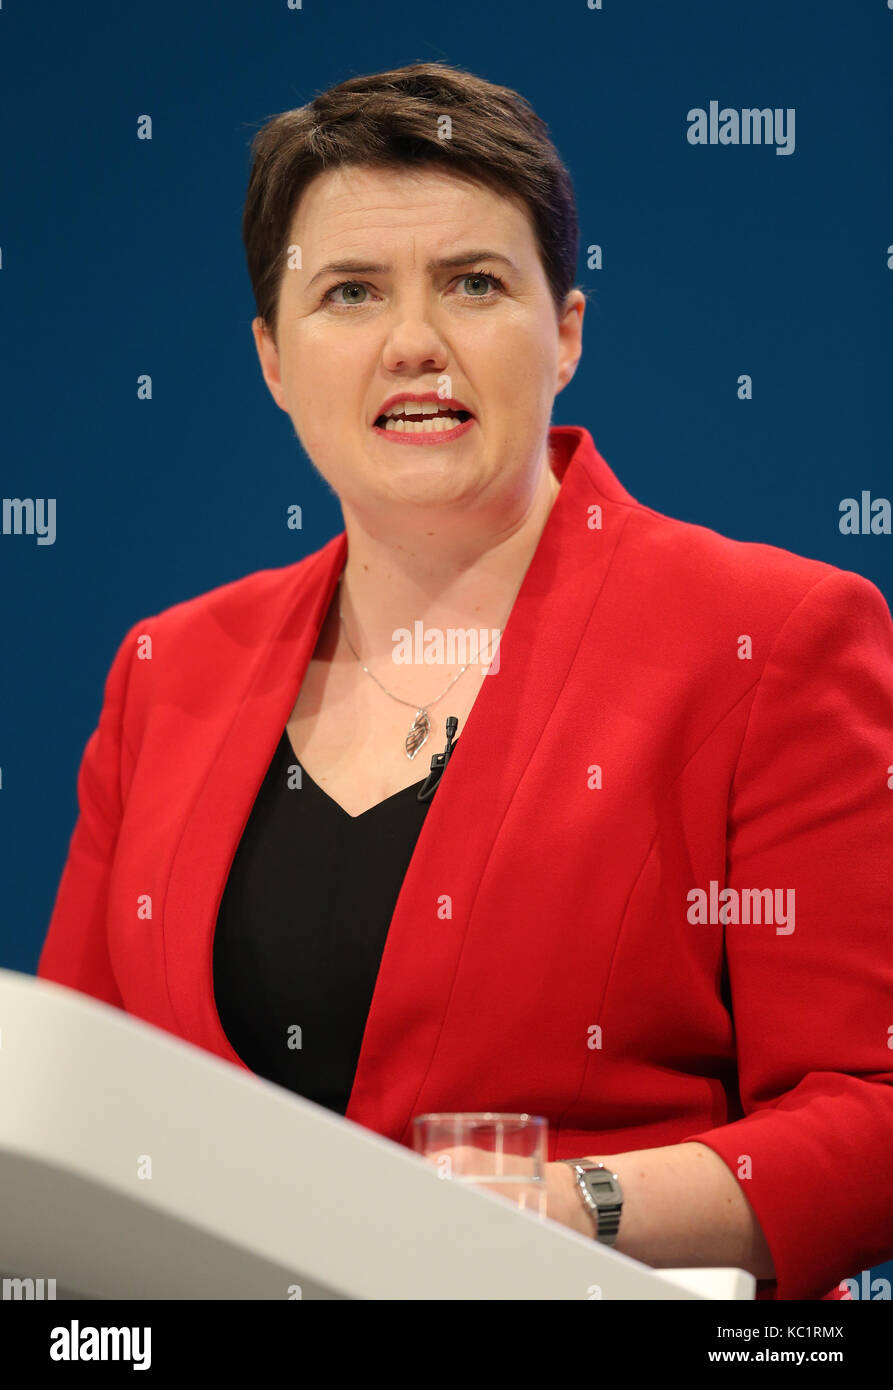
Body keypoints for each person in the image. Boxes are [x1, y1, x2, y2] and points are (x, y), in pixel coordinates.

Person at [38, 62, 893, 1302]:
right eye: (349, 293)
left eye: (474, 284)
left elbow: (869, 1113)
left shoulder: (769, 638)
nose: (413, 343)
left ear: (568, 334)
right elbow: (77, 1098)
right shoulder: (168, 668)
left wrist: (566, 1207)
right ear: (273, 360)